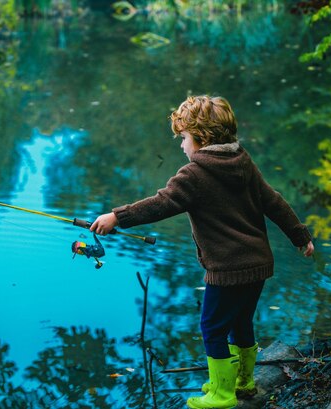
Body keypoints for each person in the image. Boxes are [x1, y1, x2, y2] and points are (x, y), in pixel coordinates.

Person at [91, 95, 314, 409]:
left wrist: (117, 216)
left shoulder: (194, 175)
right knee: (241, 323)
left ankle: (221, 396)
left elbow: (159, 204)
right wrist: (300, 235)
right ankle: (243, 383)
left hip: (227, 268)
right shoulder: (243, 162)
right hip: (259, 265)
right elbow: (273, 201)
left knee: (212, 328)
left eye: (184, 138)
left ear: (202, 138)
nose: (182, 146)